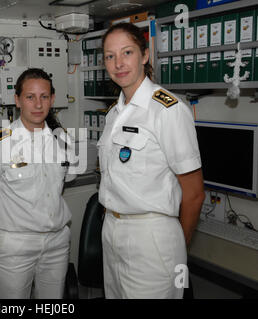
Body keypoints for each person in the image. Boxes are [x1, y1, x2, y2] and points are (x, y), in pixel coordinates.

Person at [97, 22, 205, 299]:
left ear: (145, 55)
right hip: (111, 229)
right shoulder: (114, 114)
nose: (118, 63)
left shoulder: (167, 110)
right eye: (110, 56)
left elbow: (194, 193)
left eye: (127, 52)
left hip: (152, 236)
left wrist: (177, 244)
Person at [0, 68, 76, 299]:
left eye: (44, 96)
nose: (38, 104)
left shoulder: (63, 141)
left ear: (52, 99)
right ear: (17, 100)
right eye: (30, 97)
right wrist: (5, 229)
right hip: (16, 246)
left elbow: (63, 184)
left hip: (57, 243)